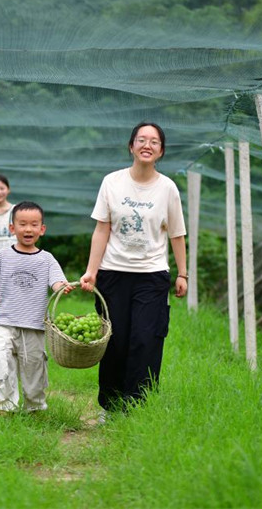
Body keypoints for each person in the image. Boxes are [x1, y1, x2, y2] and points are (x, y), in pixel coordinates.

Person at [79, 122, 187, 419]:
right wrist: (92, 271)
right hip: (113, 272)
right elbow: (102, 229)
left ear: (161, 151)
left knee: (146, 339)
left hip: (152, 275)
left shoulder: (167, 188)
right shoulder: (112, 182)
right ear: (131, 146)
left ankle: (136, 406)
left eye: (154, 141)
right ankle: (111, 406)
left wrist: (183, 273)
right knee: (114, 340)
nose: (147, 145)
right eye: (141, 139)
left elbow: (177, 233)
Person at [0, 201, 73, 414]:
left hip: (34, 326)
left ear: (42, 229)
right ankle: (5, 407)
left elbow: (57, 282)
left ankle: (35, 408)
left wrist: (62, 287)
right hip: (3, 321)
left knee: (34, 371)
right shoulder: (2, 256)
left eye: (34, 224)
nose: (28, 229)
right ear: (12, 228)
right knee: (1, 361)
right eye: (22, 224)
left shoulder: (47, 259)